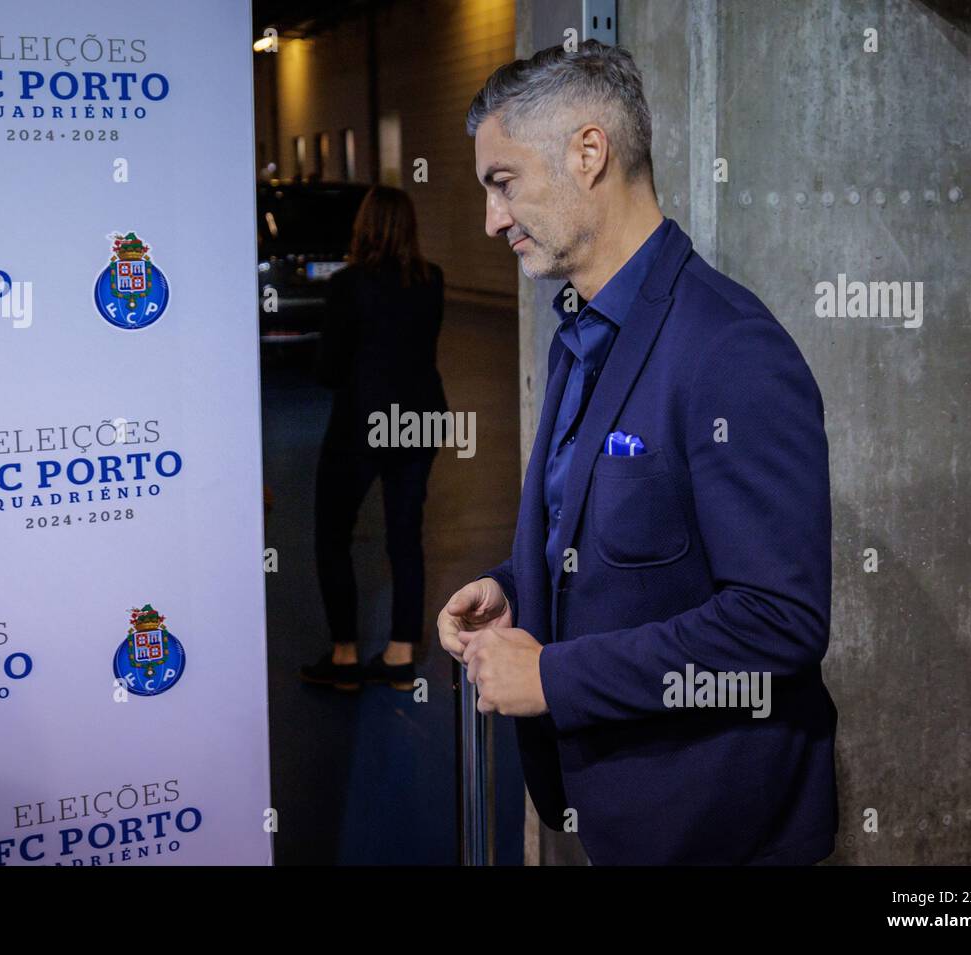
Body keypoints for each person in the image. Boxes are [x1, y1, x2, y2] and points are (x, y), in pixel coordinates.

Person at [437, 40, 838, 864]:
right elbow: (624, 537)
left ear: (590, 153)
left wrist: (554, 677)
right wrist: (518, 587)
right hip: (619, 812)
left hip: (718, 829)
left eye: (502, 183)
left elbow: (779, 621)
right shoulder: (580, 331)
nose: (492, 219)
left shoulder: (731, 350)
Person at [300, 185, 447, 693]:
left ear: (363, 227)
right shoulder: (432, 280)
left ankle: (344, 658)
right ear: (409, 228)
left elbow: (328, 370)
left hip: (360, 425)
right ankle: (401, 657)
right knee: (406, 538)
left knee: (332, 535)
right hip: (420, 421)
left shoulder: (347, 285)